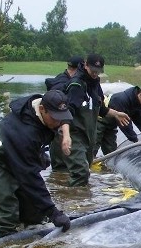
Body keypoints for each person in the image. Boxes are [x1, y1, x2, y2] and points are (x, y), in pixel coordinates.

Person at [0, 89, 74, 238]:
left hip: (19, 154)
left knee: (34, 216)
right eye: (55, 118)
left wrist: (40, 154)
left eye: (62, 118)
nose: (59, 122)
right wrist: (52, 212)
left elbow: (61, 118)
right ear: (42, 110)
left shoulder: (45, 110)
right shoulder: (24, 132)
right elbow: (29, 177)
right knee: (7, 215)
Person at [49, 53, 128, 186]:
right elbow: (67, 112)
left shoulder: (95, 85)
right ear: (85, 65)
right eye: (93, 70)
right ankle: (72, 204)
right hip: (73, 134)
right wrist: (66, 136)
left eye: (98, 71)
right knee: (79, 173)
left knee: (81, 173)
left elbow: (100, 108)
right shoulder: (76, 85)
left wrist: (115, 114)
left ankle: (72, 200)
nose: (95, 74)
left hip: (87, 137)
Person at [96, 85, 141, 155]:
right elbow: (125, 124)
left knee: (111, 151)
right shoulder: (122, 100)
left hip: (111, 126)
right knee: (93, 146)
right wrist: (135, 140)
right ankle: (88, 163)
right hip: (100, 121)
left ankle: (107, 163)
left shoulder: (138, 105)